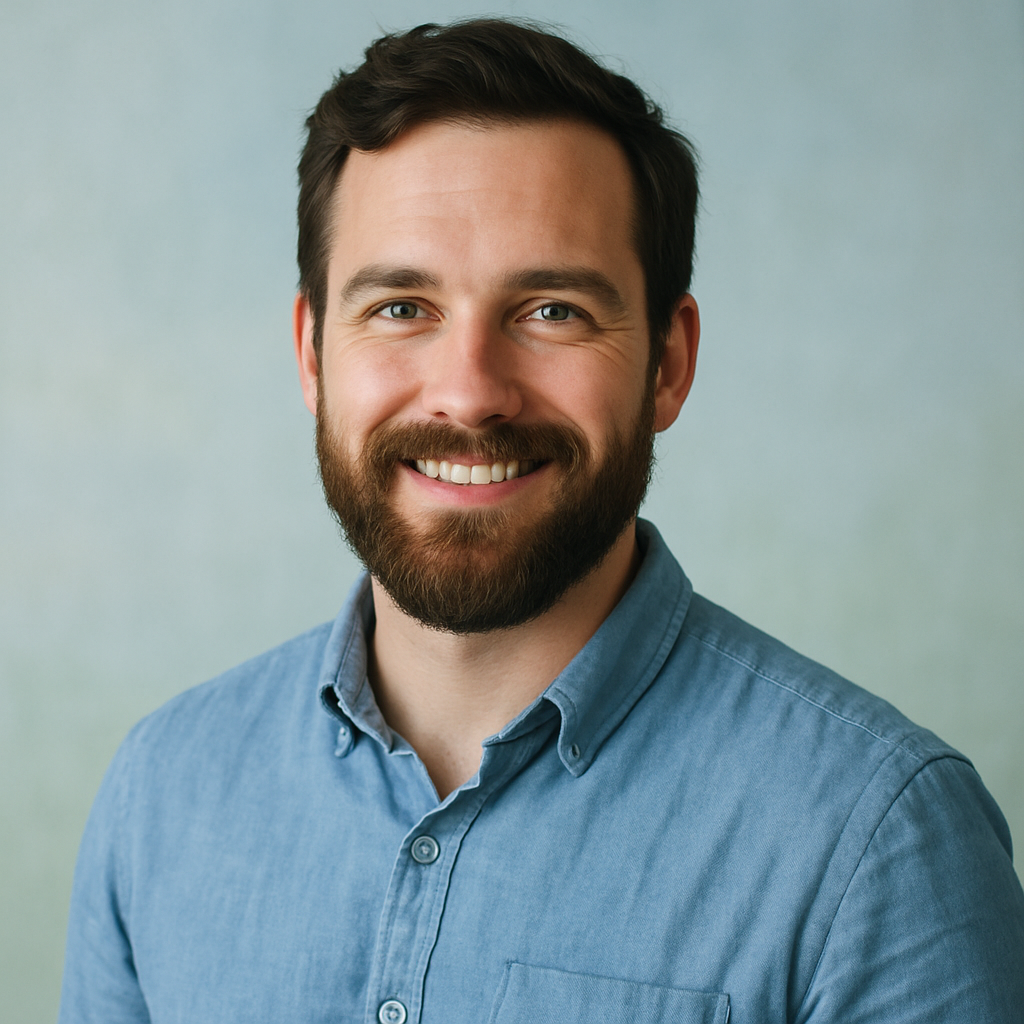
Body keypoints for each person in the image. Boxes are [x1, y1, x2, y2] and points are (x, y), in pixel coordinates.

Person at [59, 18, 1023, 1024]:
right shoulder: (160, 792)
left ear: (667, 362)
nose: (470, 395)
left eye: (551, 309)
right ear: (312, 353)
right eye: (400, 307)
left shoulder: (880, 841)